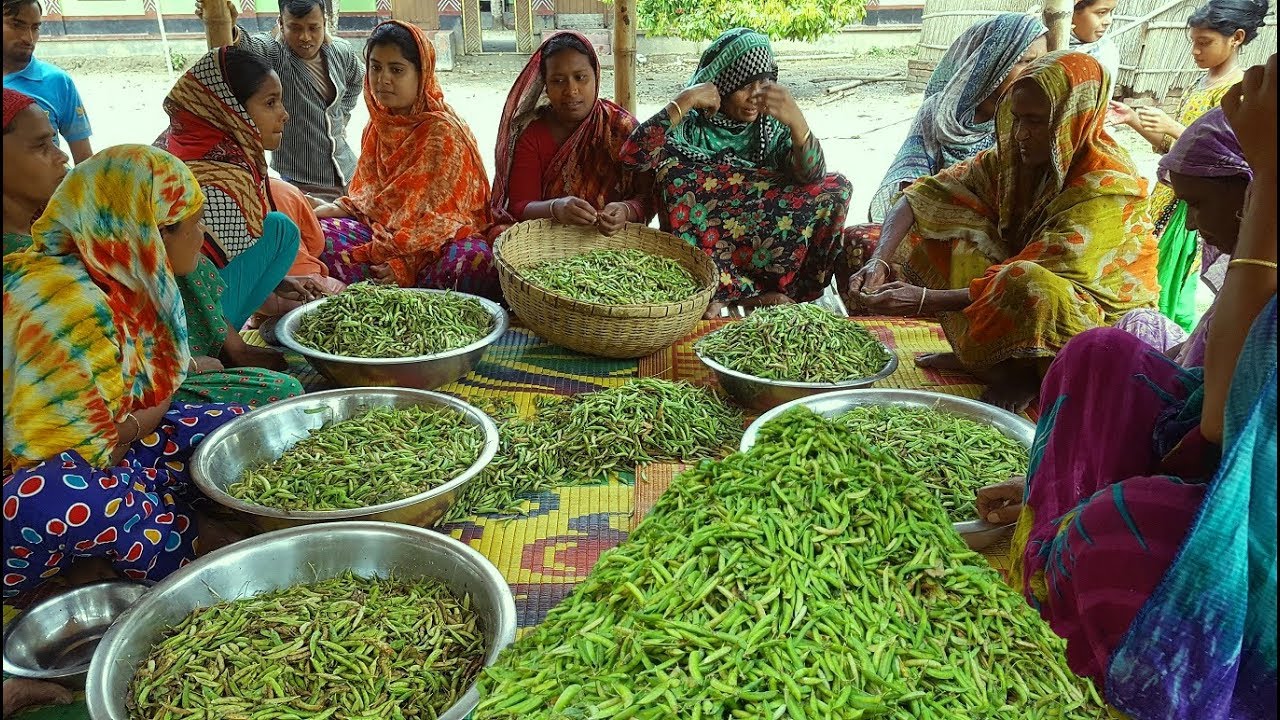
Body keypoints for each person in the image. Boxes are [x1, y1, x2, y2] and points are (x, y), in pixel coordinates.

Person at [977, 52, 1276, 718]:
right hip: (1227, 470)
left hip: (1263, 549)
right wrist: (1043, 481)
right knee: (1103, 357)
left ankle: (1079, 565)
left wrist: (1270, 190)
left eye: (1201, 205)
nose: (1190, 225)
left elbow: (1221, 421)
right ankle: (1053, 528)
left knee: (1113, 535)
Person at [3, 145, 257, 603]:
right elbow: (68, 461)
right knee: (69, 499)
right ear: (151, 234)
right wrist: (144, 423)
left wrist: (139, 422)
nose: (203, 234)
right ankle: (181, 577)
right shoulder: (70, 306)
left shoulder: (116, 278)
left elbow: (126, 409)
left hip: (108, 450)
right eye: (195, 222)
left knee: (234, 424)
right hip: (30, 499)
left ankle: (154, 523)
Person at [846, 52, 1160, 412]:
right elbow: (921, 195)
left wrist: (922, 300)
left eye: (1037, 122)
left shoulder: (1105, 186)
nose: (1021, 134)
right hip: (1023, 279)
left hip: (1097, 319)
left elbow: (1034, 278)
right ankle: (988, 358)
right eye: (1018, 118)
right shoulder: (1013, 161)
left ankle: (1031, 375)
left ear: (1072, 119)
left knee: (1027, 283)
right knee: (955, 236)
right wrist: (879, 262)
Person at [620, 27, 850, 319]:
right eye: (746, 85)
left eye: (765, 82)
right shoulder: (690, 126)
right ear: (722, 84)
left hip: (763, 240)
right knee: (676, 178)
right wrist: (686, 100)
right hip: (709, 249)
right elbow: (633, 156)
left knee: (837, 188)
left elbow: (813, 177)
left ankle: (769, 293)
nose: (757, 95)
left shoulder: (771, 125)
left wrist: (798, 125)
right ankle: (713, 290)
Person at [157, 46, 315, 405]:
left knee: (279, 228)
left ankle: (222, 344)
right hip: (176, 328)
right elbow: (190, 278)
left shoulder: (188, 145)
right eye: (270, 103)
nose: (284, 115)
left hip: (190, 302)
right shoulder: (214, 183)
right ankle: (221, 346)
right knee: (283, 390)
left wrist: (276, 280)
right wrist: (239, 349)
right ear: (232, 110)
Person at [1109, 0, 1268, 332]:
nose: (1196, 51)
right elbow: (1175, 151)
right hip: (1171, 195)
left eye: (1205, 42)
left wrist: (1171, 126)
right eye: (1193, 42)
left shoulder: (1234, 93)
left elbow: (1220, 159)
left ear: (1236, 38)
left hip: (1195, 204)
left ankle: (1163, 334)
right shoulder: (1200, 85)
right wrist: (1136, 121)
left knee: (1170, 276)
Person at [314, 21, 495, 295]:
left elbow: (447, 220)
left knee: (472, 260)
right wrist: (339, 207)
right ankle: (379, 300)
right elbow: (374, 199)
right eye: (375, 67)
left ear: (422, 74)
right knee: (321, 236)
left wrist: (408, 263)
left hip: (437, 249)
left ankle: (405, 297)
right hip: (383, 239)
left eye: (396, 70)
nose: (382, 79)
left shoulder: (441, 132)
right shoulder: (377, 127)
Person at [867, 13, 1047, 223]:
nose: (1034, 72)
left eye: (1041, 62)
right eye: (1026, 61)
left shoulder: (1029, 121)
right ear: (991, 63)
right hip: (933, 221)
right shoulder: (937, 113)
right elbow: (910, 188)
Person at [1116, 107, 1250, 366]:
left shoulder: (1261, 294)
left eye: (1197, 204)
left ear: (1251, 193)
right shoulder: (1245, 277)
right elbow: (1196, 347)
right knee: (1132, 328)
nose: (1190, 224)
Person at [195, 0, 363, 201]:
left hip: (349, 172)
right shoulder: (274, 53)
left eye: (313, 27)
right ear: (281, 24)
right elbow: (242, 49)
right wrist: (227, 27)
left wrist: (343, 114)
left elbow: (357, 79)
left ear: (324, 23)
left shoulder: (340, 51)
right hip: (302, 182)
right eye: (295, 28)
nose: (305, 37)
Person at [493, 32, 652, 242]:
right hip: (550, 240)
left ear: (596, 76)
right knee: (499, 236)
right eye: (558, 81)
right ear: (546, 87)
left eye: (580, 77)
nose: (571, 90)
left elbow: (648, 197)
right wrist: (555, 208)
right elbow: (520, 205)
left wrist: (625, 210)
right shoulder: (533, 134)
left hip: (613, 240)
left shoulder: (622, 129)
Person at [2, 0, 92, 164]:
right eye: (17, 25)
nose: (28, 38)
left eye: (35, 28)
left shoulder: (57, 81)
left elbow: (85, 161)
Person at [2, 87, 65, 256]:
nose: (63, 156)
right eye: (40, 145)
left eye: (53, 141)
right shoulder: (23, 263)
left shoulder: (53, 221)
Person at [1070, 0, 1121, 100]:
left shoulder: (1106, 52)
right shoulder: (1042, 44)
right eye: (1101, 13)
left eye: (1111, 12)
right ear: (1072, 11)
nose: (1108, 21)